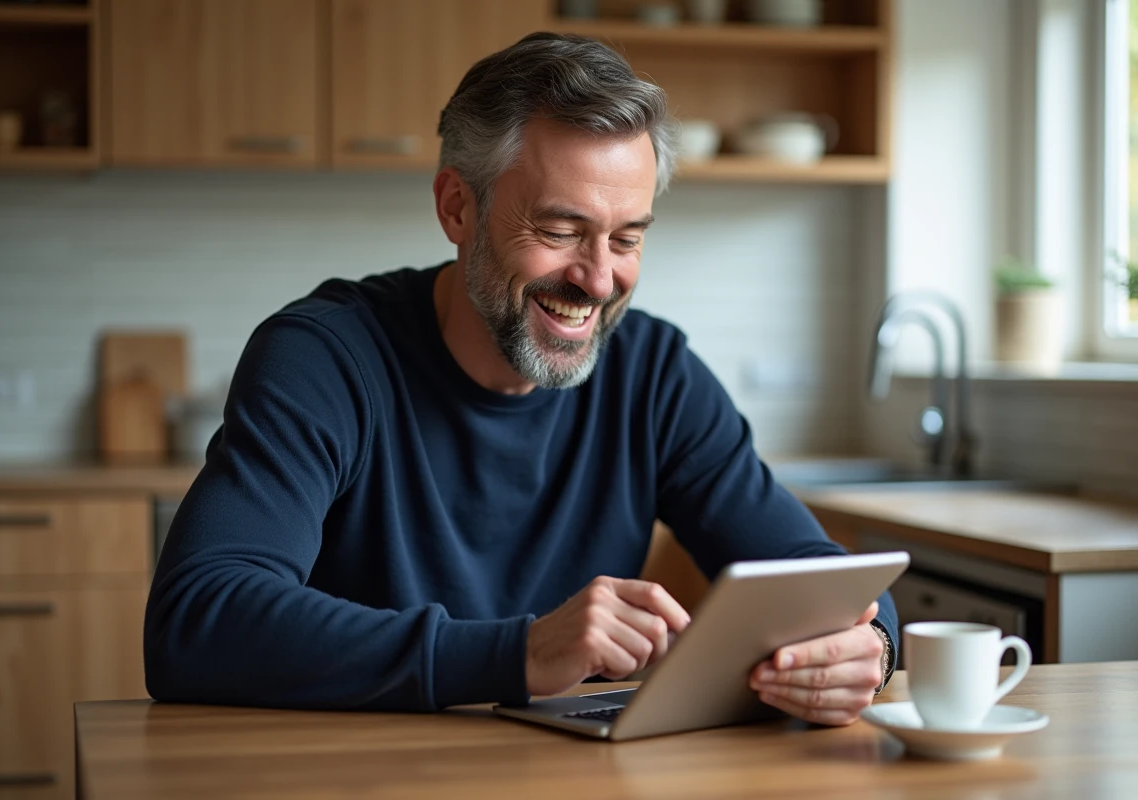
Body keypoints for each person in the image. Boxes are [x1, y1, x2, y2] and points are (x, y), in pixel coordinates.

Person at [145, 32, 898, 727]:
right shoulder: (325, 359)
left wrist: (871, 645)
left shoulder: (655, 375)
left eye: (627, 238)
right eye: (561, 231)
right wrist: (520, 653)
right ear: (456, 206)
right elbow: (197, 620)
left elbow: (814, 573)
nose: (598, 280)